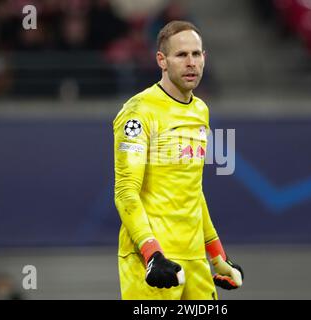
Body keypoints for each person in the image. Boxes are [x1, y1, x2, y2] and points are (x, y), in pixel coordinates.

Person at [113, 20, 243, 300]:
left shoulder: (200, 111)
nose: (191, 63)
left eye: (196, 54)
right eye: (181, 55)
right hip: (152, 262)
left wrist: (217, 256)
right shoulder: (138, 112)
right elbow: (126, 192)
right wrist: (151, 254)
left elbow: (193, 191)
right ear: (162, 60)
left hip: (194, 258)